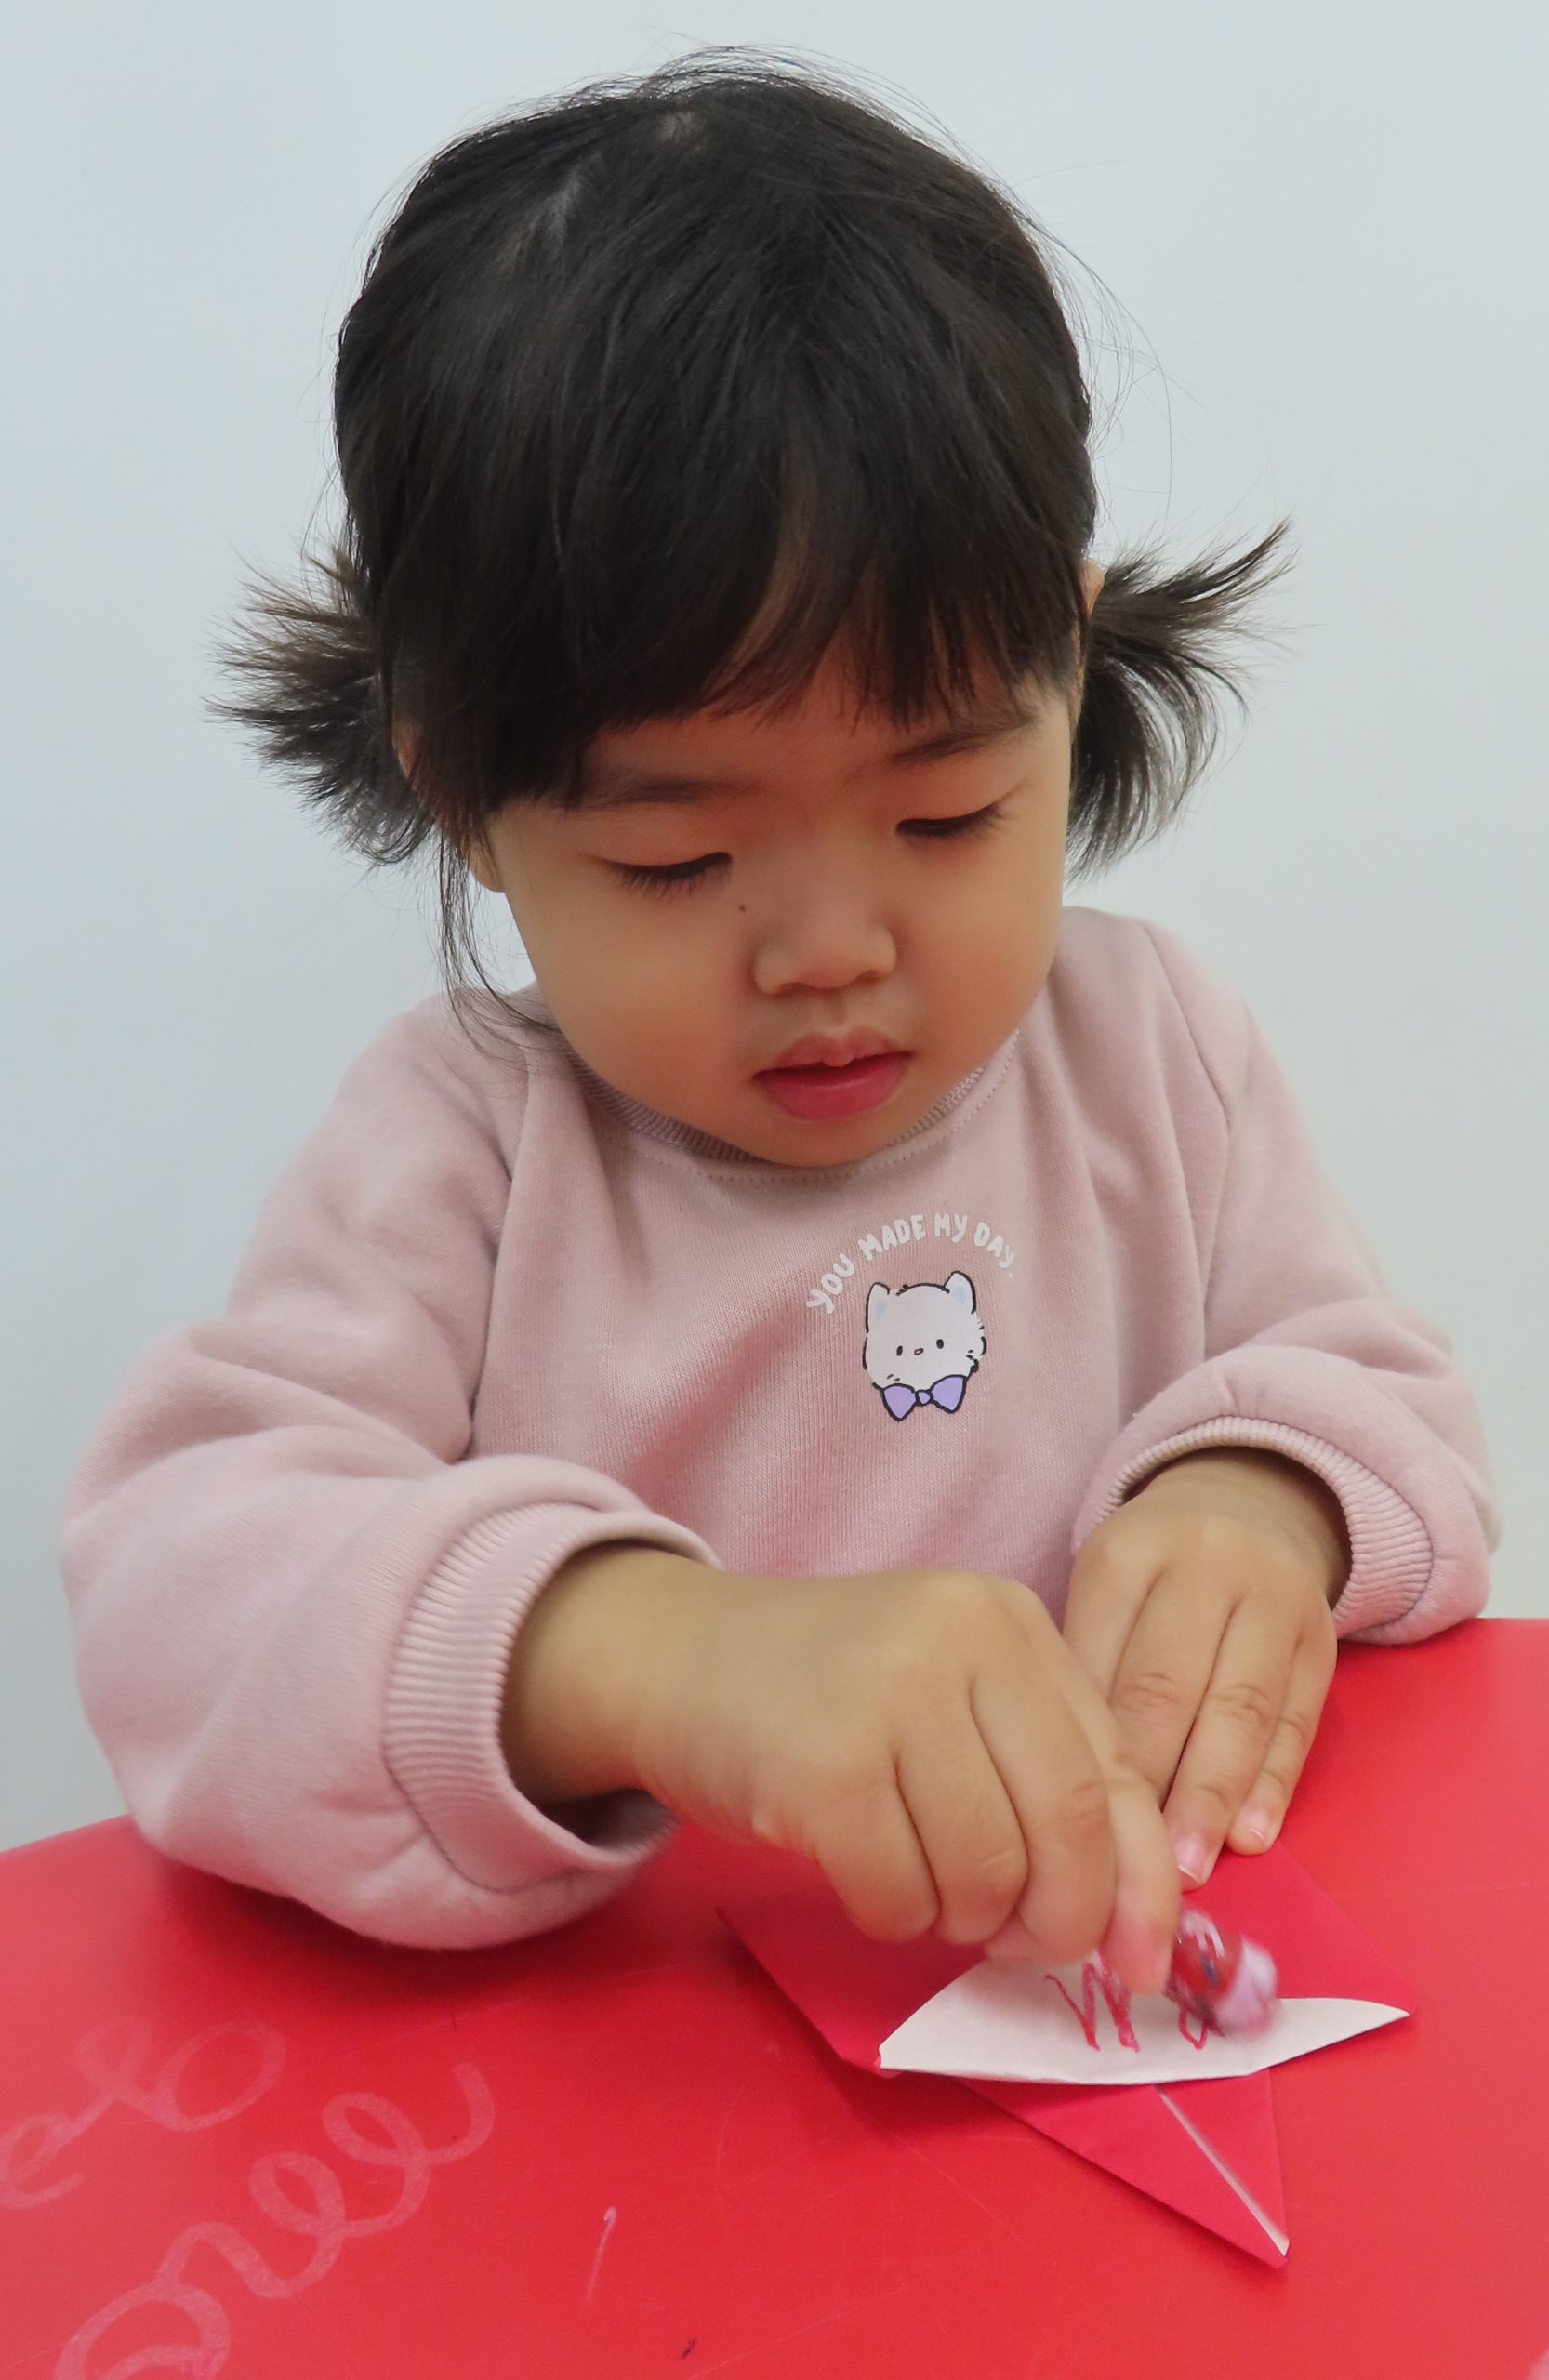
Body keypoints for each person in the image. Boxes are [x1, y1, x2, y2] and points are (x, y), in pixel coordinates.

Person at [58, 49, 1498, 1997]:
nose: (826, 950)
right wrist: (650, 1654)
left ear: (1069, 670)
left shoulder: (1152, 1056)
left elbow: (1389, 1402)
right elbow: (174, 1591)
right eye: (675, 859)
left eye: (943, 814)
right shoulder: (463, 1152)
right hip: (630, 2101)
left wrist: (1267, 1493)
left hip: (1096, 2045)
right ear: (461, 791)